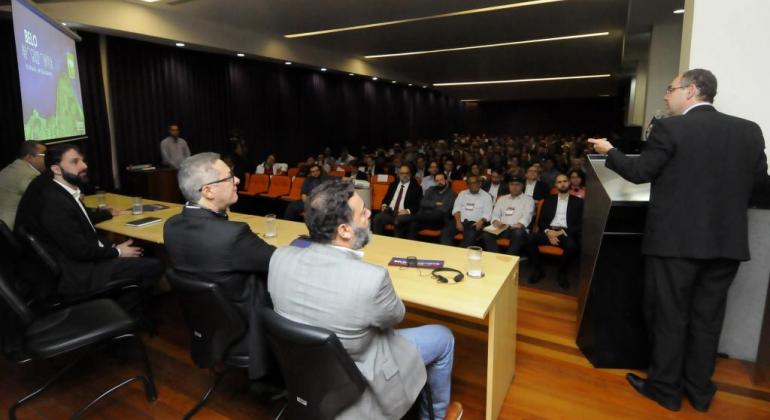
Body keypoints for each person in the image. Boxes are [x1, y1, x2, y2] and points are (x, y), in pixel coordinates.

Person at [588, 68, 770, 412]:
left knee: (670, 317)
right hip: (726, 245)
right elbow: (759, 187)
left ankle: (665, 389)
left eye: (670, 89)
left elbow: (640, 173)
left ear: (692, 90)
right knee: (708, 319)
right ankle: (700, 392)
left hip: (675, 245)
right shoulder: (749, 131)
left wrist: (609, 151)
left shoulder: (671, 128)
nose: (665, 96)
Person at [268, 180, 463, 420]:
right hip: (361, 369)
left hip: (308, 370)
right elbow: (396, 317)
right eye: (363, 212)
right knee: (443, 337)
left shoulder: (279, 257)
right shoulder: (372, 278)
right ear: (344, 230)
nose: (370, 213)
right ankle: (436, 417)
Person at [164, 152, 275, 380]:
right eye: (229, 177)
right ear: (208, 191)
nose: (237, 181)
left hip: (210, 323)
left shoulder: (171, 226)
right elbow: (277, 262)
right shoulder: (233, 235)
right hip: (247, 325)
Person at [16, 144, 161, 298]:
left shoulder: (56, 188)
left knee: (143, 251)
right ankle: (125, 314)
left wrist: (112, 243)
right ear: (56, 169)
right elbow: (80, 251)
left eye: (83, 160)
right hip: (75, 272)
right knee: (153, 265)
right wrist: (117, 251)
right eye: (75, 162)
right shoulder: (55, 201)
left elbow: (77, 223)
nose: (84, 166)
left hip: (66, 261)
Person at [527, 173, 583, 290]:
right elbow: (542, 220)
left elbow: (579, 225)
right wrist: (548, 232)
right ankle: (538, 270)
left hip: (565, 232)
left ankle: (561, 273)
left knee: (572, 245)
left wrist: (559, 233)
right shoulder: (548, 200)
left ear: (569, 183)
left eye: (564, 181)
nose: (562, 184)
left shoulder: (578, 202)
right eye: (559, 182)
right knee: (531, 238)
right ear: (555, 185)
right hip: (549, 230)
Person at [482, 176, 534, 256]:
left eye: (517, 185)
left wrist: (520, 224)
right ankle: (495, 256)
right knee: (487, 233)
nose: (514, 187)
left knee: (518, 233)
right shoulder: (502, 198)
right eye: (512, 184)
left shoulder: (528, 200)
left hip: (518, 229)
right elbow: (495, 214)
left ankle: (509, 259)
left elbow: (528, 215)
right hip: (502, 228)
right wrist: (495, 221)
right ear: (509, 186)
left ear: (522, 186)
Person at [0, 142, 46, 229]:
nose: (47, 158)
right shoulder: (29, 175)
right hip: (11, 227)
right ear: (29, 157)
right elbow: (44, 200)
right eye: (44, 154)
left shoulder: (11, 167)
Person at [372, 164, 423, 237]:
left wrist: (408, 210)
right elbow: (386, 199)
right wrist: (384, 205)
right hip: (390, 212)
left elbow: (419, 204)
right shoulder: (393, 185)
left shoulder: (416, 188)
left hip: (404, 214)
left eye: (407, 173)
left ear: (410, 174)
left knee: (398, 220)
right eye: (402, 173)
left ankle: (396, 245)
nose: (404, 175)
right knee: (377, 218)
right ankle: (378, 241)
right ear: (399, 174)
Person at [447, 175, 493, 247]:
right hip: (460, 221)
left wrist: (481, 222)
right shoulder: (462, 194)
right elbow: (456, 209)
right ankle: (447, 252)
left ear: (479, 183)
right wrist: (458, 222)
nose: (474, 185)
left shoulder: (486, 196)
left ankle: (460, 255)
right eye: (471, 183)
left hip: (474, 224)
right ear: (467, 185)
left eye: (475, 182)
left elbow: (488, 214)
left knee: (469, 236)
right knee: (446, 231)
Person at [407, 172, 456, 240]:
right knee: (413, 225)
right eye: (437, 180)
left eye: (441, 180)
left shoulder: (452, 193)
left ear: (446, 180)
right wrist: (435, 203)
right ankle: (411, 247)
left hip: (439, 222)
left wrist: (429, 206)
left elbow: (445, 209)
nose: (439, 182)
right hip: (425, 220)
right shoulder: (431, 189)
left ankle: (411, 217)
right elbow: (422, 202)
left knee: (438, 214)